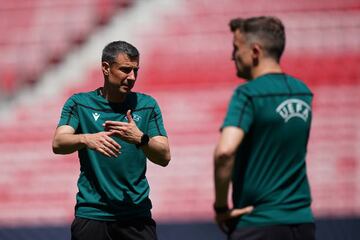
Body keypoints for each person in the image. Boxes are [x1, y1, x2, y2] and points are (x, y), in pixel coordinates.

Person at [52, 41, 171, 240]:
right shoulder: (79, 104)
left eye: (135, 71)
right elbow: (58, 142)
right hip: (92, 215)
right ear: (106, 68)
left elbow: (164, 156)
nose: (131, 77)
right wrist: (86, 139)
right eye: (125, 70)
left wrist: (140, 138)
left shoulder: (147, 105)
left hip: (136, 215)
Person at [213, 16, 315, 240]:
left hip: (257, 223)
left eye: (236, 48)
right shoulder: (303, 93)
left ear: (255, 51)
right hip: (302, 223)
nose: (233, 56)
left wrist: (221, 208)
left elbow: (224, 152)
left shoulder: (248, 94)